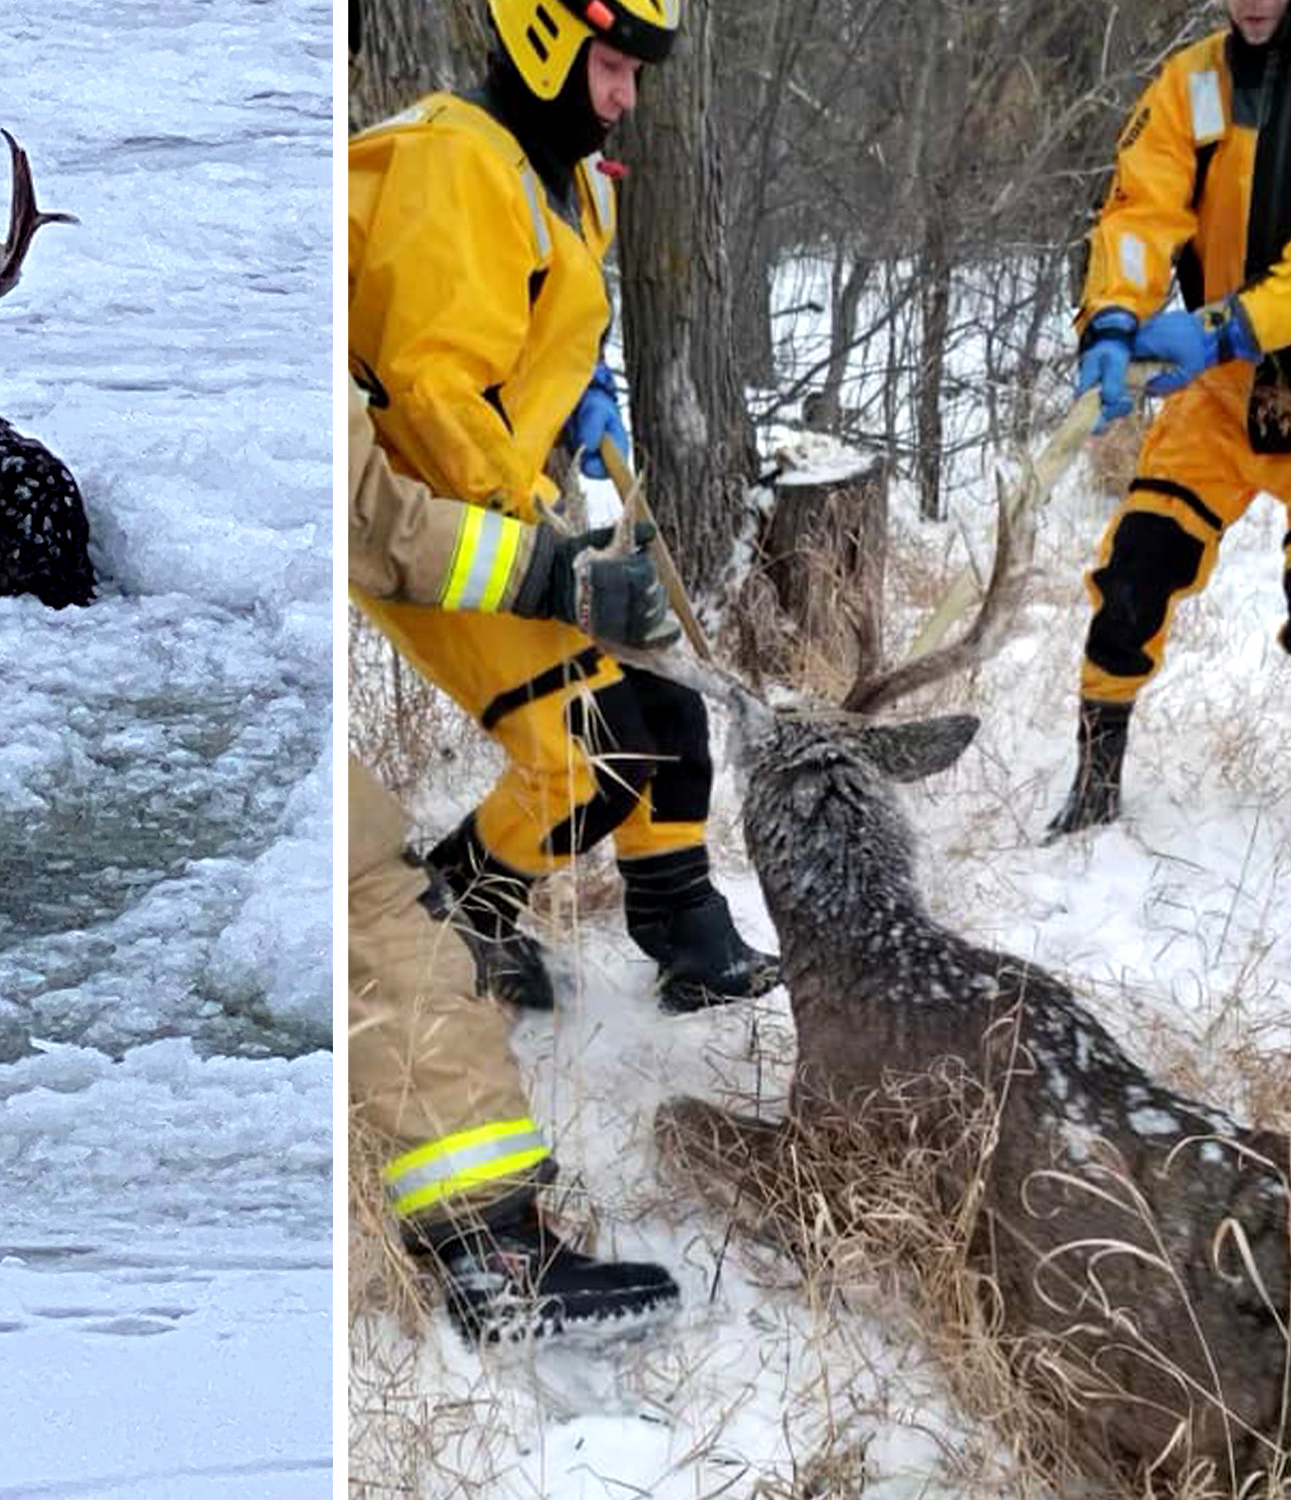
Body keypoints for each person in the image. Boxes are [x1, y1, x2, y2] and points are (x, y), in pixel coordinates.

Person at [347, 0, 778, 1014]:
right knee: (590, 755)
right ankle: (448, 921)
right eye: (613, 68)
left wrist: (585, 391)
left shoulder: (572, 177)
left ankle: (683, 928)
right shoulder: (458, 167)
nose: (627, 98)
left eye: (636, 74)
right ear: (544, 41)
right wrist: (550, 561)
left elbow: (544, 317)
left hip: (509, 506)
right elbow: (435, 393)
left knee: (664, 709)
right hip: (423, 527)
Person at [347, 386, 681, 1341]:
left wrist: (575, 373)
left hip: (484, 506)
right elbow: (369, 508)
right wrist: (545, 569)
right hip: (460, 519)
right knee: (370, 904)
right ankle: (495, 1260)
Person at [1053, 0, 1291, 834]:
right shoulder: (1193, 81)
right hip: (1220, 392)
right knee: (1135, 571)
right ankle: (1092, 790)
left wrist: (1229, 323)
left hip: (1245, 347)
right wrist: (1114, 318)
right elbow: (1139, 211)